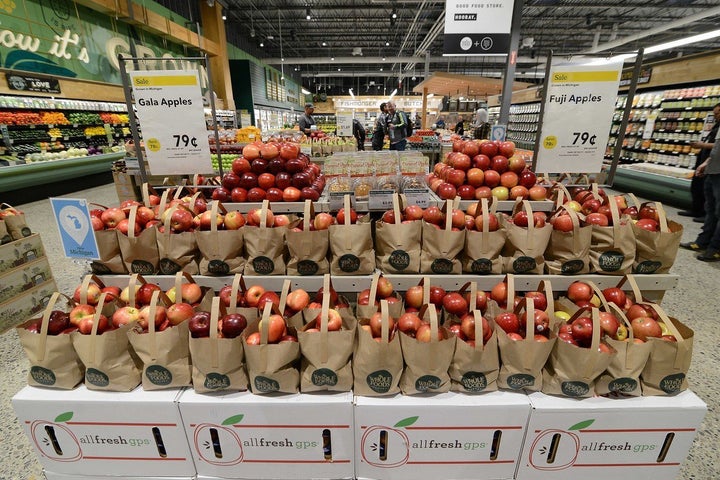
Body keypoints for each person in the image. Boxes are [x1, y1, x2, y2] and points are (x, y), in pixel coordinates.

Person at [680, 112, 720, 262]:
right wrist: (706, 163)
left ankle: (715, 248)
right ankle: (702, 242)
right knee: (710, 208)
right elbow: (718, 147)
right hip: (714, 170)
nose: (716, 115)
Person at [679, 103, 720, 220]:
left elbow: (718, 145)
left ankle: (705, 214)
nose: (716, 116)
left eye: (717, 113)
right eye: (715, 113)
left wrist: (702, 145)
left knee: (708, 192)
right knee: (697, 186)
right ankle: (696, 210)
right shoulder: (716, 126)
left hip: (714, 164)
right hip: (707, 159)